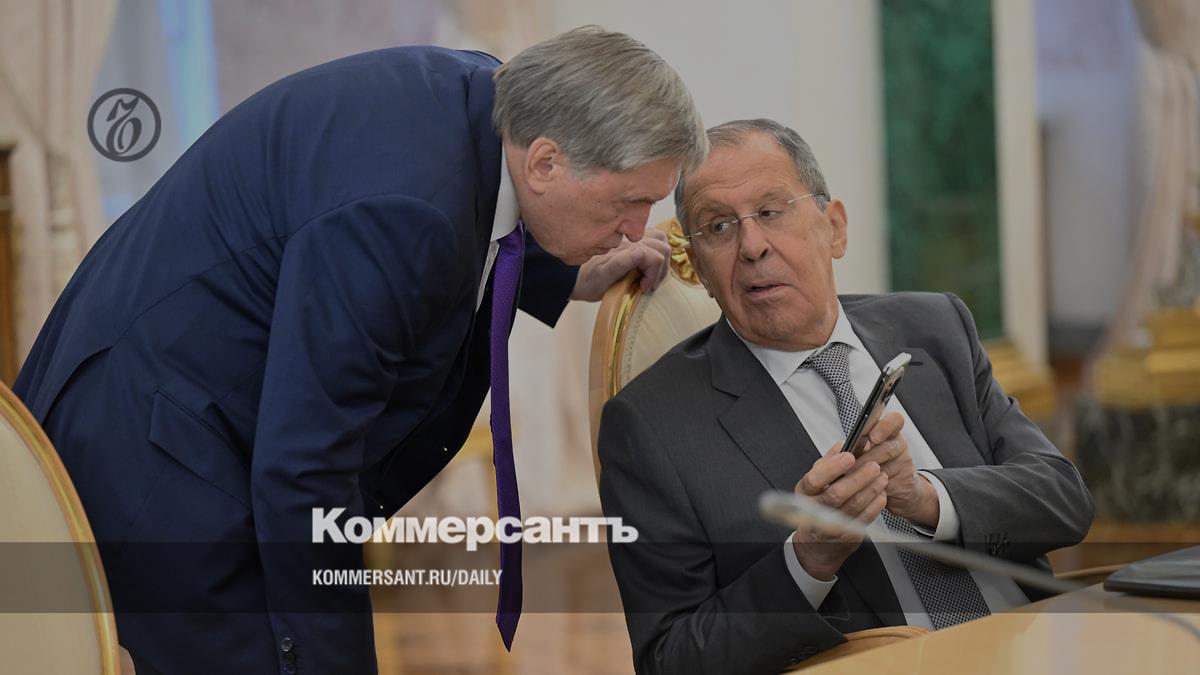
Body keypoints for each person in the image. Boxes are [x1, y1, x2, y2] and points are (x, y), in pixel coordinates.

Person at [15, 27, 706, 675]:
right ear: (548, 161)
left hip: (188, 405)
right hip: (156, 446)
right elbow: (307, 470)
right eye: (629, 201)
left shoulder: (492, 104)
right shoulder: (405, 212)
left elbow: (484, 213)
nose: (635, 228)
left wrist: (564, 272)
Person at [597, 118, 1094, 674]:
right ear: (701, 269)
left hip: (1035, 648)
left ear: (834, 228)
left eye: (771, 211)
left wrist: (926, 499)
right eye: (719, 227)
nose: (752, 246)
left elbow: (1064, 501)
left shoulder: (935, 327)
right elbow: (670, 660)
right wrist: (807, 560)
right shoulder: (652, 424)